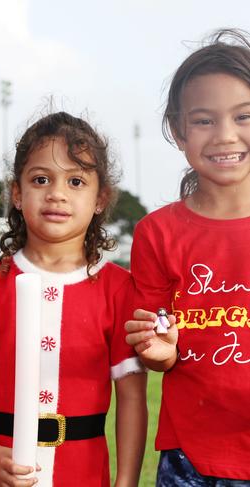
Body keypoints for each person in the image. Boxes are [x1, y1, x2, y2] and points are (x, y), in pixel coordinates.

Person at [0, 112, 147, 487]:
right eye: (41, 179)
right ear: (17, 193)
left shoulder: (119, 290)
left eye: (76, 181)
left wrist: (125, 483)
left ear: (100, 198)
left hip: (84, 472)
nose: (57, 193)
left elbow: (132, 400)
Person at [124, 29, 250, 485]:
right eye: (203, 121)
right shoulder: (157, 233)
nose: (225, 135)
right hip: (189, 456)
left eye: (244, 116)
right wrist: (159, 351)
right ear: (178, 131)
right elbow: (160, 346)